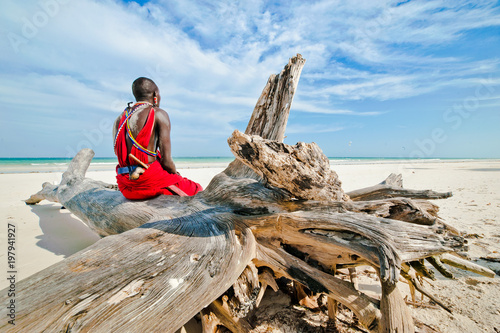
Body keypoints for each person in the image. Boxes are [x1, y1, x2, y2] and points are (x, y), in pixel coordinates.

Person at [113, 77, 203, 200]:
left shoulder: (120, 118)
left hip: (126, 185)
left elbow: (118, 153)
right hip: (147, 183)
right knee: (197, 189)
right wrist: (175, 175)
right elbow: (167, 162)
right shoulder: (157, 113)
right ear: (155, 94)